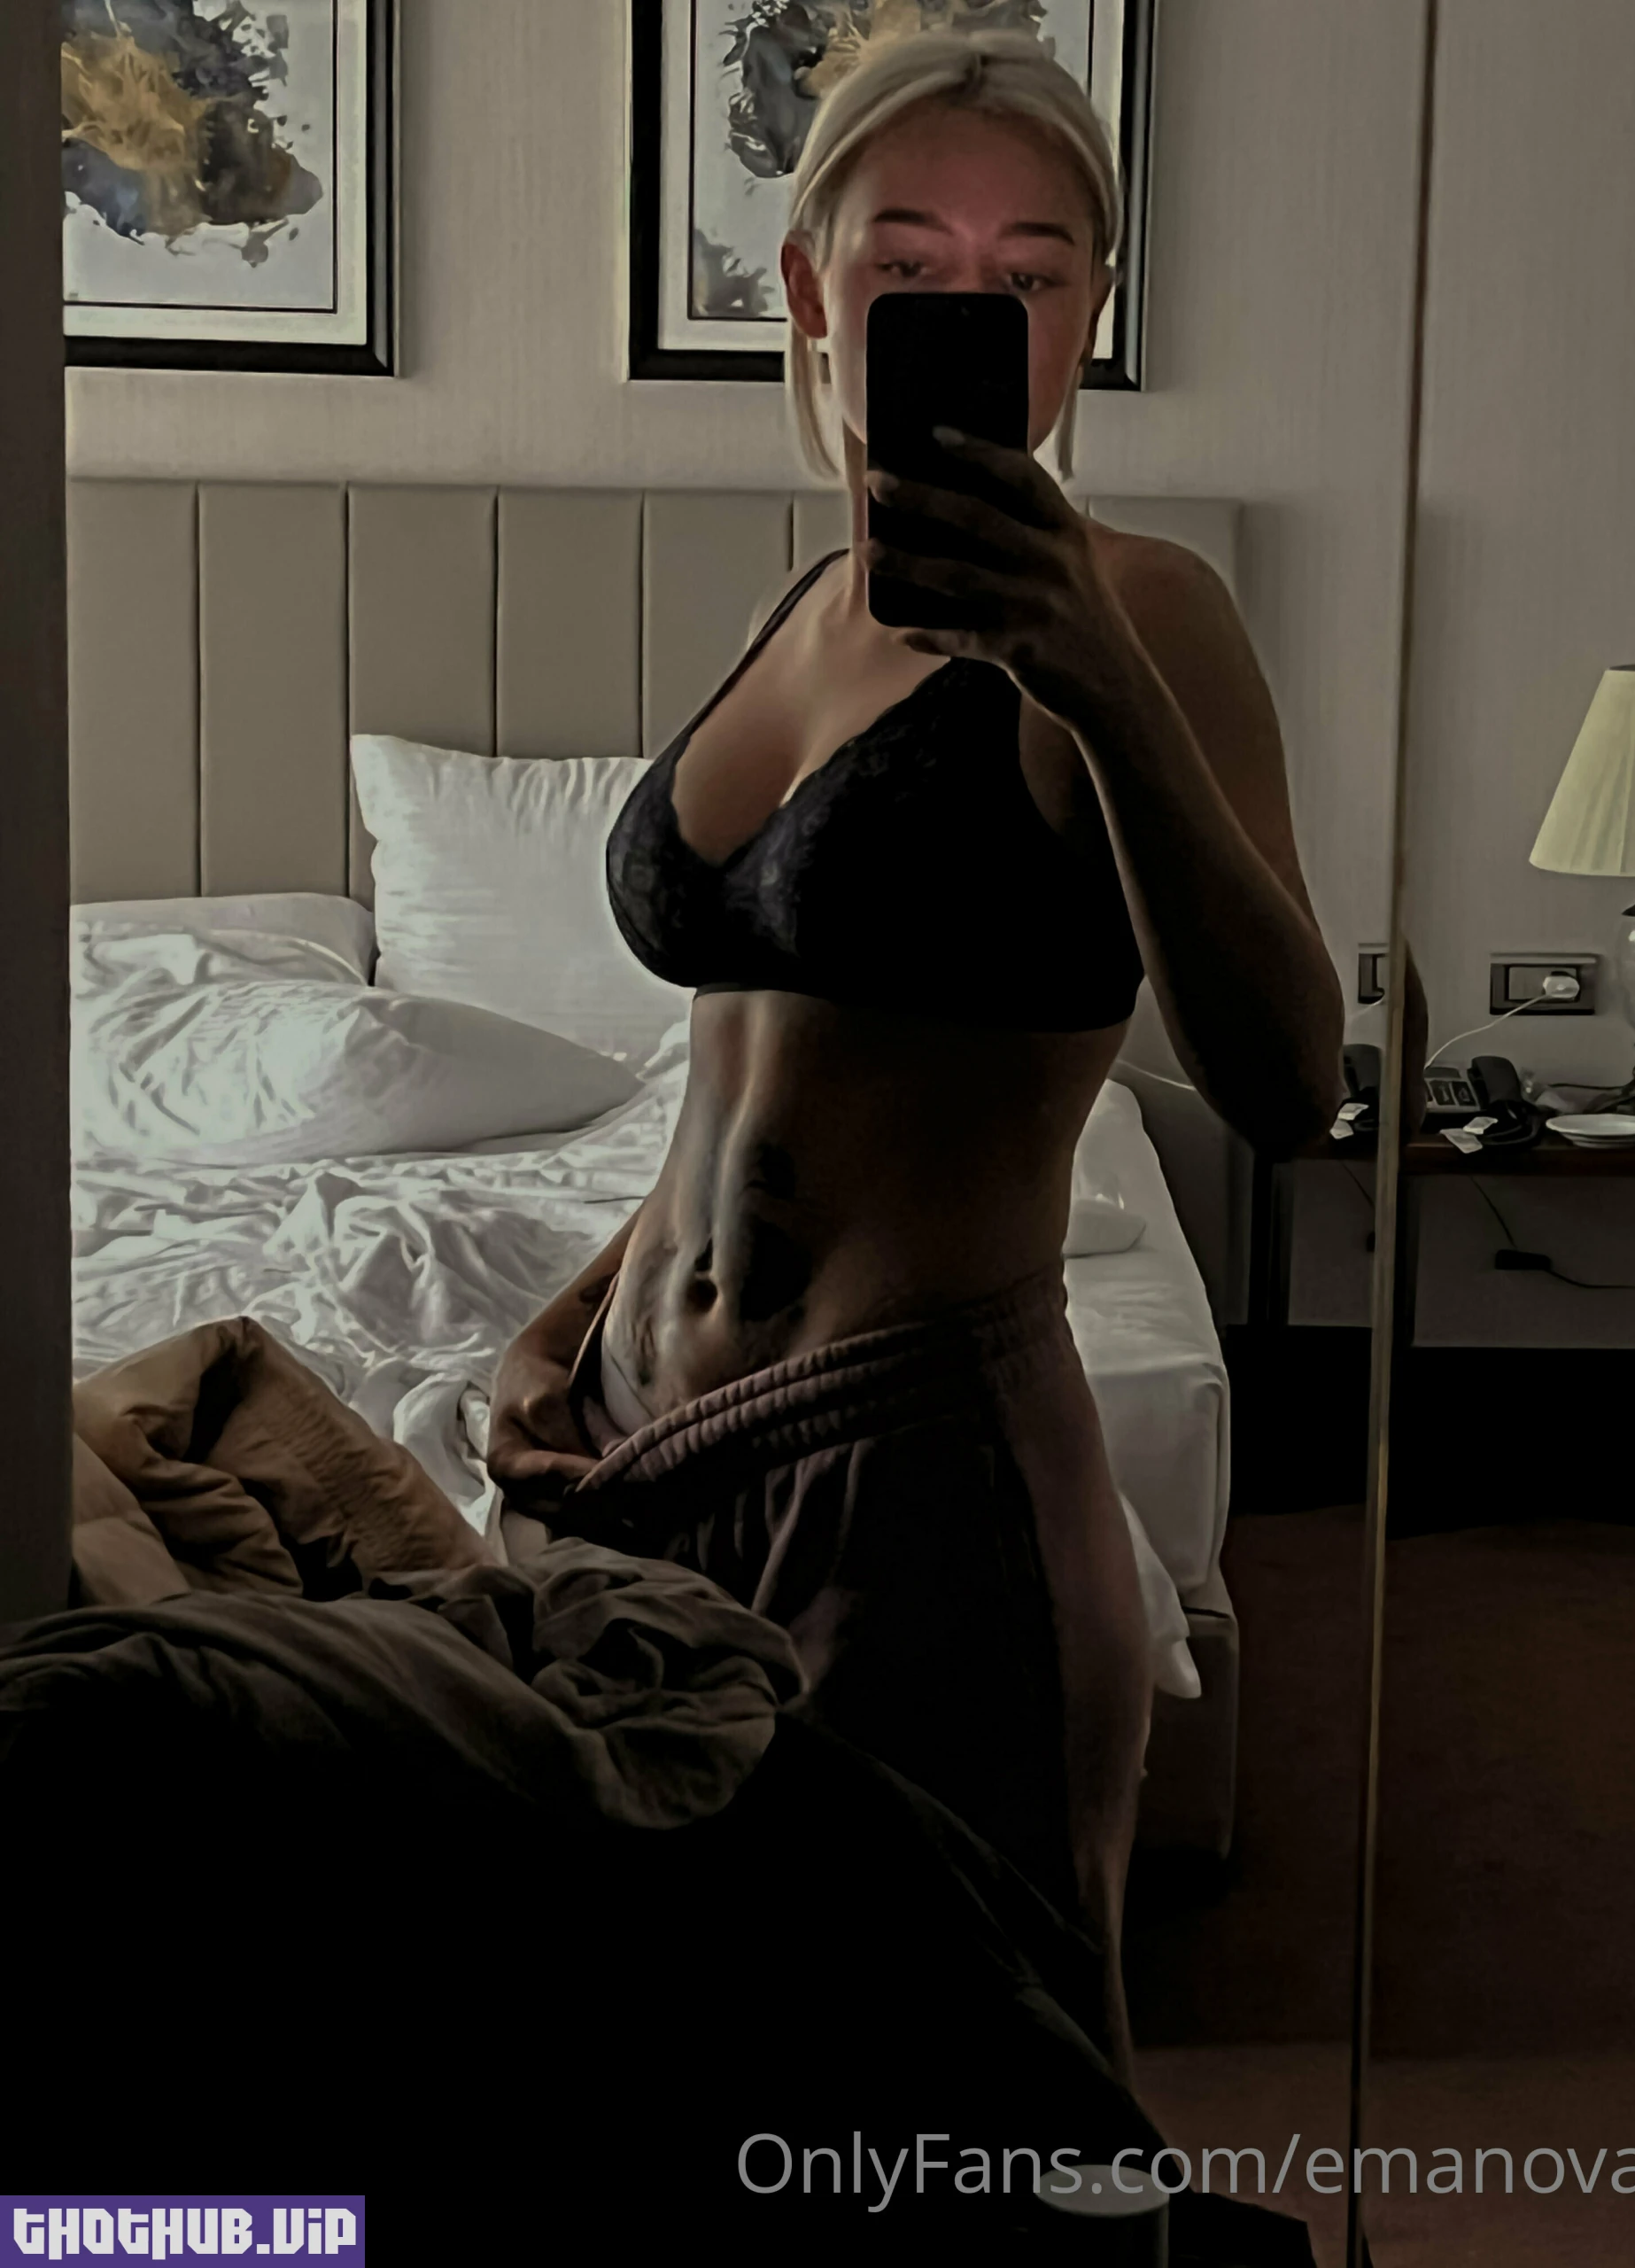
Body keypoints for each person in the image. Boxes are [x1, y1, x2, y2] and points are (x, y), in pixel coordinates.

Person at [488, 26, 1342, 2088]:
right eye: (908, 264)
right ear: (808, 286)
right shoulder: (808, 603)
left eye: (1032, 273)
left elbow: (1289, 1078)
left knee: (995, 2102)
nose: (976, 311)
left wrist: (1104, 692)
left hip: (922, 1482)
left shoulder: (1151, 611)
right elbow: (744, 1062)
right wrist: (581, 1322)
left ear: (1090, 312)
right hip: (639, 1447)